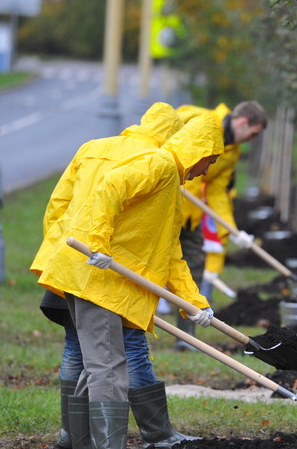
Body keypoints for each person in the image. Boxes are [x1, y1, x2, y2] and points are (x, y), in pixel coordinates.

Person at [34, 110, 223, 449]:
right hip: (97, 279)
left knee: (95, 366)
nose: (207, 170)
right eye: (209, 160)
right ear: (197, 150)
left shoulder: (168, 179)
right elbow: (111, 187)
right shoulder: (160, 165)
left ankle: (78, 441)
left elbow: (170, 252)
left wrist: (194, 304)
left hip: (92, 275)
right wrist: (98, 244)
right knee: (108, 368)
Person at [167, 101, 268, 351]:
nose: (252, 139)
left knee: (194, 270)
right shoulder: (197, 119)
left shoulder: (231, 151)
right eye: (253, 133)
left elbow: (216, 190)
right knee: (159, 269)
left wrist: (232, 230)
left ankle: (185, 336)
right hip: (166, 209)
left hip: (189, 216)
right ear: (243, 122)